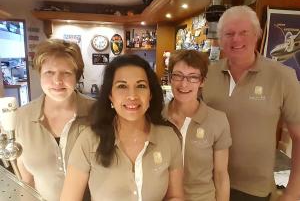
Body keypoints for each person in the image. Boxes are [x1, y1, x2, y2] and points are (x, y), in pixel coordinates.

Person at [202, 5, 300, 201]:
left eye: (244, 32)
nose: (236, 39)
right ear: (220, 40)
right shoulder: (206, 74)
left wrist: (293, 192)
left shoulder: (283, 76)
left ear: (257, 34)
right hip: (206, 184)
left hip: (254, 191)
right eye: (229, 33)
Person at [60, 54, 184, 201]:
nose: (132, 96)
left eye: (141, 86)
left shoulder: (169, 137)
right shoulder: (89, 140)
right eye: (122, 86)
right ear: (110, 95)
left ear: (150, 94)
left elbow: (175, 196)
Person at [15, 39, 95, 201]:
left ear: (77, 76)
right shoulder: (22, 117)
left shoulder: (98, 113)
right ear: (40, 74)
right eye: (49, 72)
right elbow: (27, 179)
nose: (57, 81)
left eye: (66, 73)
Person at [162, 50, 231, 201]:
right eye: (178, 75)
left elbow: (221, 175)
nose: (184, 84)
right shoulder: (155, 118)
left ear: (202, 81)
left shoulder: (218, 120)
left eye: (193, 77)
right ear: (169, 78)